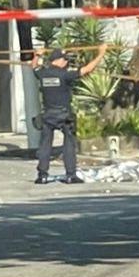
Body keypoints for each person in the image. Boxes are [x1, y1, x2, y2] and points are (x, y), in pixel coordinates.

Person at [32, 44, 107, 184]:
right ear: (58, 60)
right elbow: (86, 70)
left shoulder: (43, 73)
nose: (66, 63)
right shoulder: (64, 74)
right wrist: (100, 54)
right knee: (69, 144)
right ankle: (71, 175)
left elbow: (34, 67)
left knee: (45, 145)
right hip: (63, 114)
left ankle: (42, 175)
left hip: (48, 115)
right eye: (65, 60)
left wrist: (37, 55)